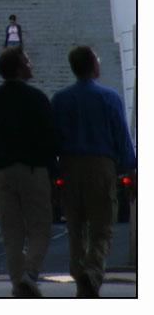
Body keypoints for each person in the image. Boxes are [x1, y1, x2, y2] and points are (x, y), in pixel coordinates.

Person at [51, 45, 137, 297]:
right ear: (95, 67)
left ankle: (80, 274)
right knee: (102, 226)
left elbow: (53, 138)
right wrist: (130, 170)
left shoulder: (60, 99)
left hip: (69, 164)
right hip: (102, 165)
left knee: (76, 224)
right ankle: (93, 270)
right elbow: (122, 137)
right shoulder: (110, 97)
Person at [0, 47, 59, 298]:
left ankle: (17, 284)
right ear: (20, 68)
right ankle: (30, 274)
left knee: (11, 232)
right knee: (41, 228)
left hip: (4, 173)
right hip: (34, 170)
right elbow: (52, 137)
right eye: (27, 61)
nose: (31, 65)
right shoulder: (37, 98)